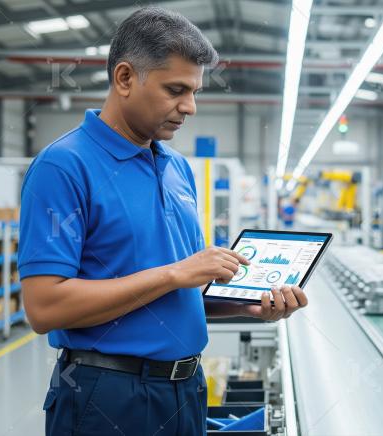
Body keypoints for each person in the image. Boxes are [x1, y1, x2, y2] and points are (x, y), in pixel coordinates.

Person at [18, 7, 308, 435]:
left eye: (195, 91)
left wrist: (245, 307)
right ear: (124, 78)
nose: (189, 107)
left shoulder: (176, 168)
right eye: (176, 90)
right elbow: (44, 308)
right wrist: (175, 273)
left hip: (186, 389)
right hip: (107, 395)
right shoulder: (63, 167)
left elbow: (175, 293)